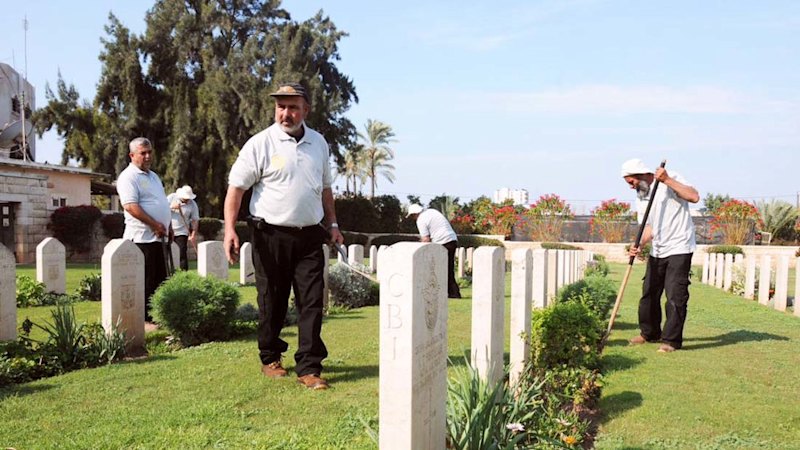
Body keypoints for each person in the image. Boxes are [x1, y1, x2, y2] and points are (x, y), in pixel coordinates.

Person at [223, 82, 343, 390]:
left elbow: (325, 188)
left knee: (312, 302)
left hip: (309, 237)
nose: (285, 113)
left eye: (292, 107)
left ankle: (309, 367)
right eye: (280, 106)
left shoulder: (318, 143)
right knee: (272, 300)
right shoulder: (260, 143)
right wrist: (229, 230)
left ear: (306, 110)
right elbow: (236, 189)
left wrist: (332, 225)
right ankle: (270, 357)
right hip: (269, 235)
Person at [621, 158, 699, 353]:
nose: (631, 187)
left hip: (679, 247)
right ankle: (649, 333)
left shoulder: (671, 179)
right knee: (649, 292)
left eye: (632, 182)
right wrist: (637, 244)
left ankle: (671, 341)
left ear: (642, 175)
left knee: (675, 294)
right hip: (658, 250)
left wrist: (667, 180)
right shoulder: (641, 196)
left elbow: (694, 196)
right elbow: (649, 227)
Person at [116, 137, 172, 322]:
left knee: (160, 280)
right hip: (142, 238)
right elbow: (130, 206)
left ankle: (159, 315)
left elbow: (161, 203)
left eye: (150, 152)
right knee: (147, 280)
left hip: (159, 237)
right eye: (143, 153)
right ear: (132, 155)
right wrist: (154, 224)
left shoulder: (153, 176)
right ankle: (146, 320)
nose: (148, 156)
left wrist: (168, 225)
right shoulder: (128, 177)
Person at [406, 204, 462, 299]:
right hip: (452, 239)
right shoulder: (432, 211)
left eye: (412, 216)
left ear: (414, 214)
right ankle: (452, 292)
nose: (413, 218)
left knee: (440, 269)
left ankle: (452, 293)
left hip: (442, 242)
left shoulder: (421, 220)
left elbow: (426, 239)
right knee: (449, 268)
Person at [167, 185, 200, 271]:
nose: (187, 200)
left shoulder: (193, 204)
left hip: (182, 232)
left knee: (182, 253)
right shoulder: (171, 198)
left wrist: (193, 234)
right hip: (168, 230)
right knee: (166, 253)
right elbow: (161, 209)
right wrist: (171, 207)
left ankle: (184, 274)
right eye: (185, 198)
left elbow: (195, 220)